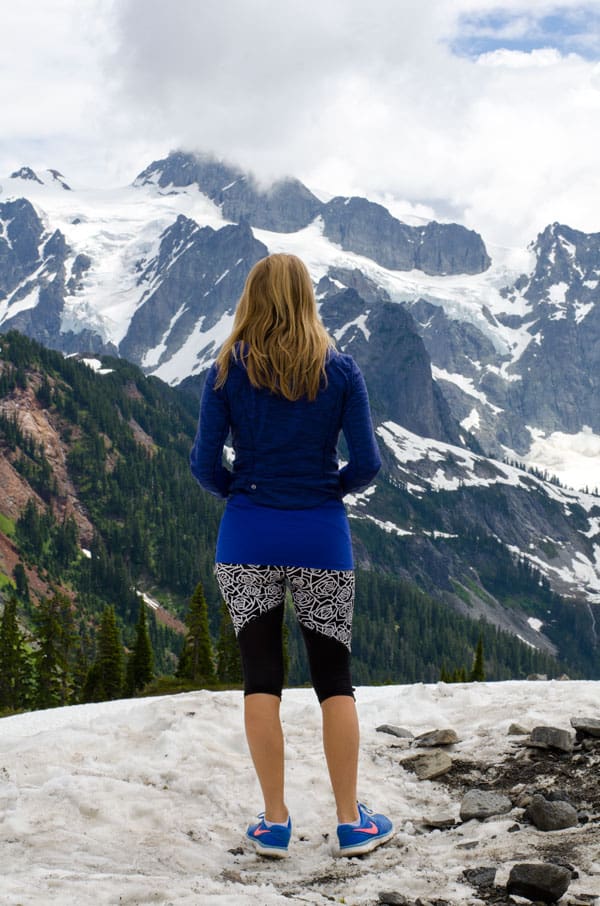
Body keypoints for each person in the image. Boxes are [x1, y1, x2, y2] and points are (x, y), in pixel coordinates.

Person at [190, 253, 393, 858]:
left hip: (247, 536)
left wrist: (241, 493)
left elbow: (204, 464)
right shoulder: (341, 371)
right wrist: (329, 488)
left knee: (261, 679)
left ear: (251, 297)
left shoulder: (225, 371)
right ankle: (352, 822)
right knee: (334, 679)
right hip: (321, 538)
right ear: (307, 298)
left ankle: (275, 822)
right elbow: (369, 463)